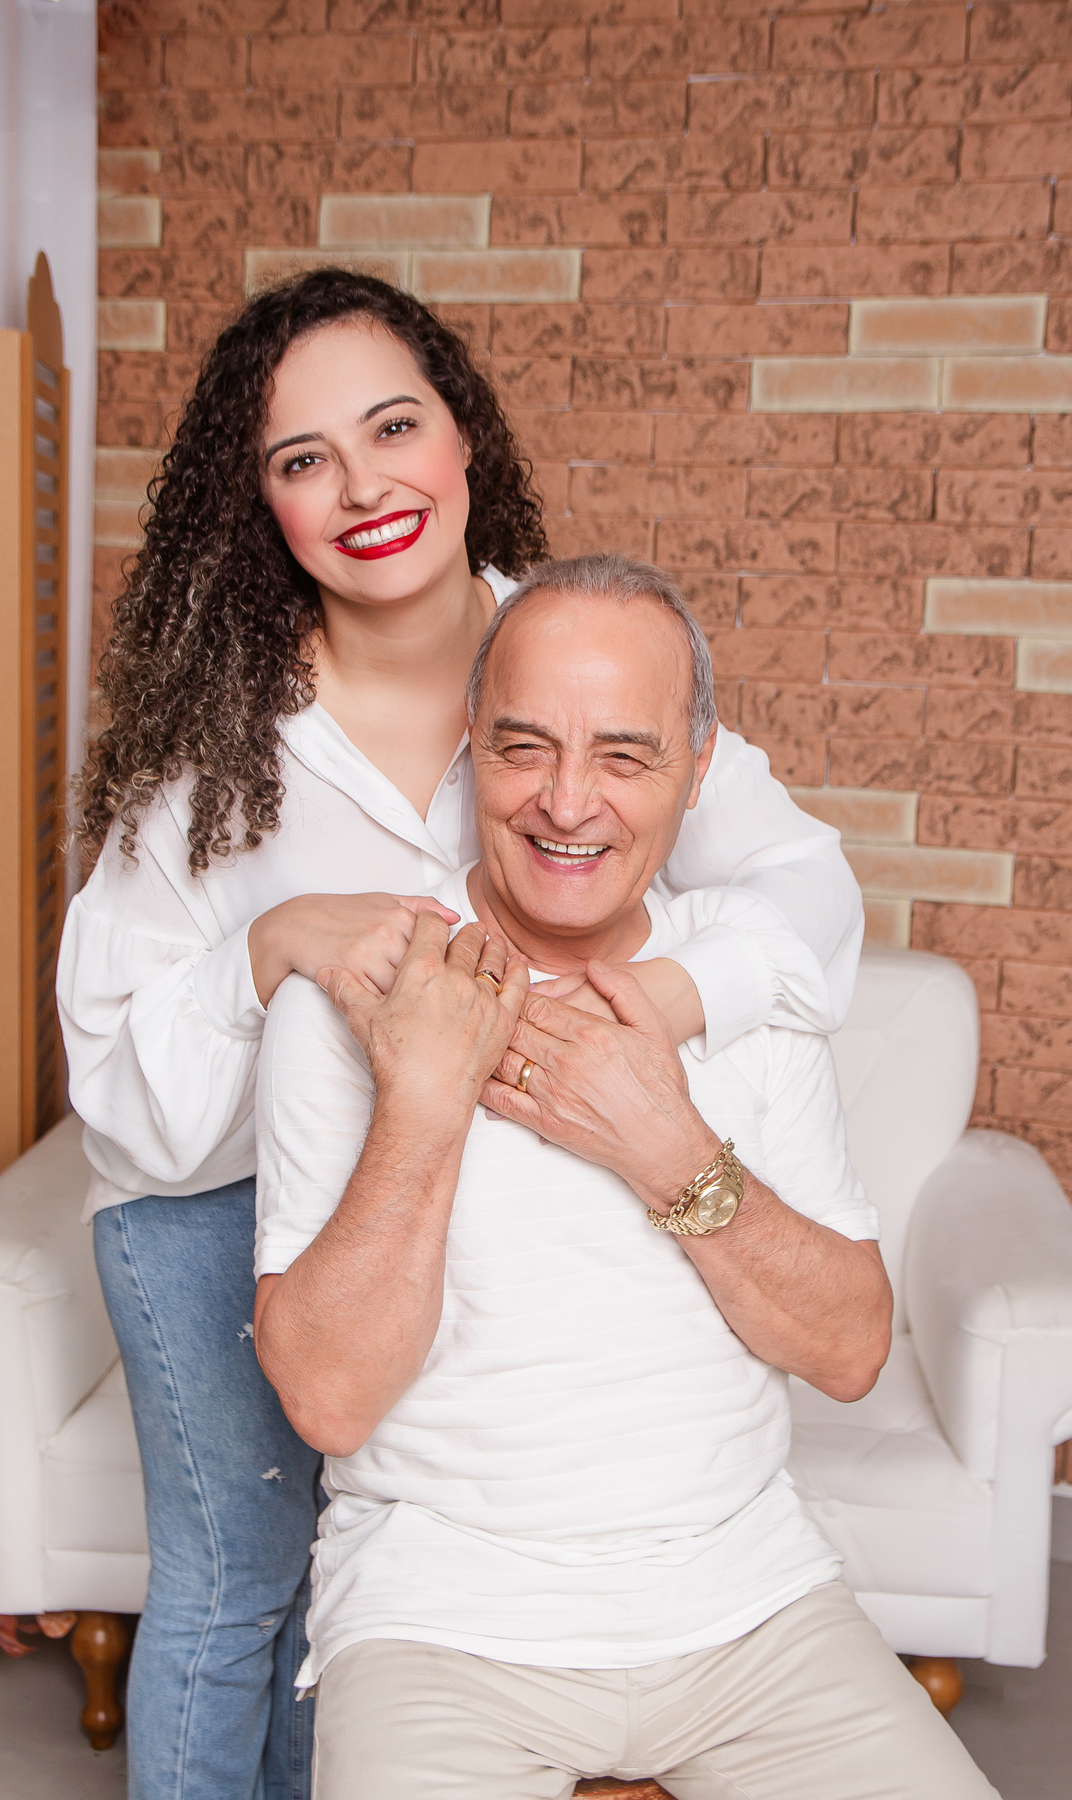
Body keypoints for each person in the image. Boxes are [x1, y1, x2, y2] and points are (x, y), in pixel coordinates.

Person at [57, 272, 862, 1800]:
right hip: (208, 1199)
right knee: (237, 1592)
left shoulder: (581, 662)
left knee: (361, 1611)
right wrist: (266, 951)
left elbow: (815, 899)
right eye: (303, 460)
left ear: (462, 436)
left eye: (392, 428)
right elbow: (115, 1083)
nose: (363, 487)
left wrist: (663, 1006)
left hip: (457, 1198)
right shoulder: (222, 734)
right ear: (262, 504)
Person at [253, 555, 999, 1800]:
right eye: (525, 748)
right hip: (444, 1627)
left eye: (623, 756)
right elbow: (328, 1401)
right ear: (472, 748)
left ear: (697, 772)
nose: (566, 802)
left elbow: (850, 1349)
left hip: (754, 1613)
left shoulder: (746, 990)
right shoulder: (360, 992)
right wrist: (425, 1104)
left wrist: (667, 1146)